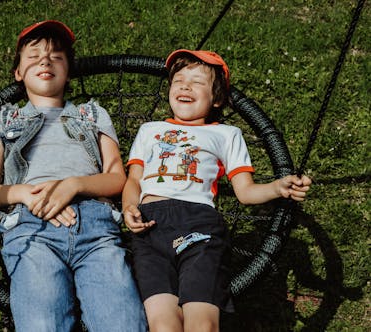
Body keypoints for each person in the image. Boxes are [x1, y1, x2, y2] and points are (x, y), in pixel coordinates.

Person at [122, 49, 312, 332]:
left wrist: (278, 187)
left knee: (202, 324)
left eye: (197, 81)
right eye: (179, 79)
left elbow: (245, 192)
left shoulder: (226, 134)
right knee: (162, 324)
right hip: (149, 227)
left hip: (198, 224)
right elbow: (134, 181)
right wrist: (128, 208)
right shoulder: (150, 130)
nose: (185, 85)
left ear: (217, 98)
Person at [0, 20, 147, 331]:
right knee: (43, 323)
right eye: (34, 55)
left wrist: (74, 184)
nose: (45, 60)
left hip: (97, 230)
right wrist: (22, 194)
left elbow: (117, 178)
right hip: (32, 230)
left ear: (68, 72)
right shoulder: (4, 119)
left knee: (122, 322)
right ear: (18, 72)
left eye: (56, 56)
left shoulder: (92, 115)